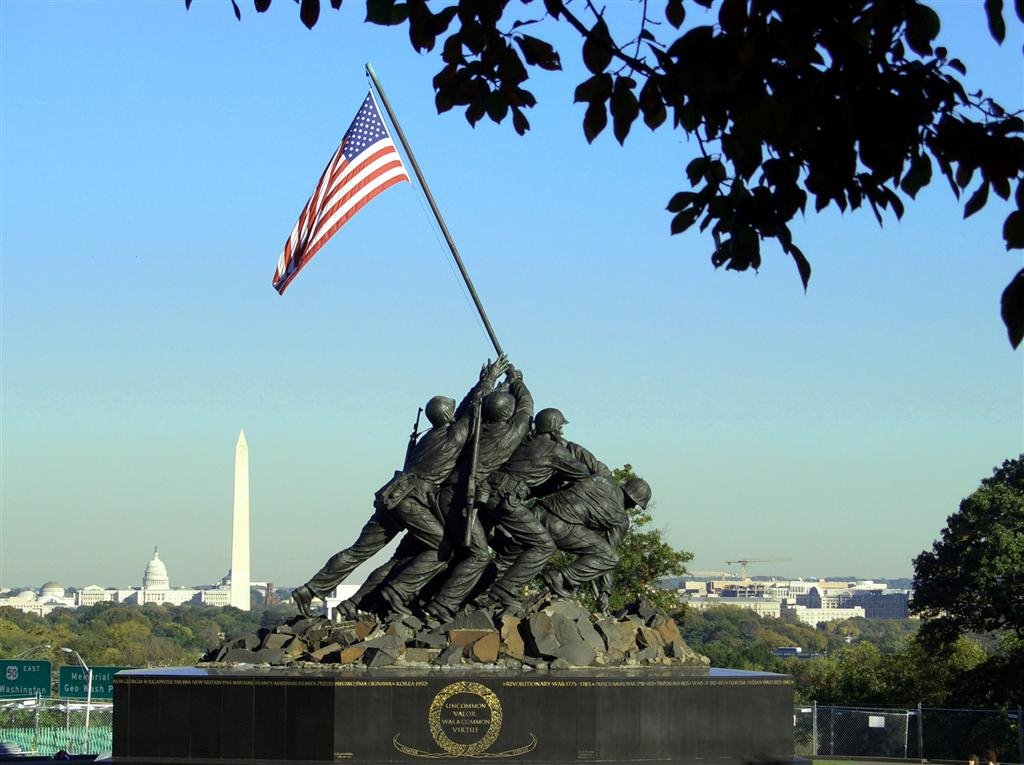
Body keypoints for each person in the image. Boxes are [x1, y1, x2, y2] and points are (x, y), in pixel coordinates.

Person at [291, 355, 508, 617]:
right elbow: (474, 410)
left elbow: (466, 409)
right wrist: (490, 380)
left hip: (392, 493)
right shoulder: (453, 436)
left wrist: (486, 381)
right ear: (448, 415)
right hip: (412, 499)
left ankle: (311, 589)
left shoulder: (427, 438)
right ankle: (396, 593)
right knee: (442, 548)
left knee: (359, 551)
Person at [422, 365, 535, 620]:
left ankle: (430, 599)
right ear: (508, 414)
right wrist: (517, 381)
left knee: (456, 551)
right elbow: (527, 406)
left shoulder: (474, 428)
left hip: (445, 494)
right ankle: (440, 606)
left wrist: (493, 381)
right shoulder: (511, 433)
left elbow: (475, 406)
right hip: (462, 498)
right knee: (478, 555)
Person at [537, 474, 651, 611]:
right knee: (610, 557)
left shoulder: (600, 479)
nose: (633, 507)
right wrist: (605, 592)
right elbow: (609, 552)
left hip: (538, 513)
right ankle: (559, 577)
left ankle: (554, 586)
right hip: (560, 527)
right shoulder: (620, 518)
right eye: (635, 504)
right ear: (631, 498)